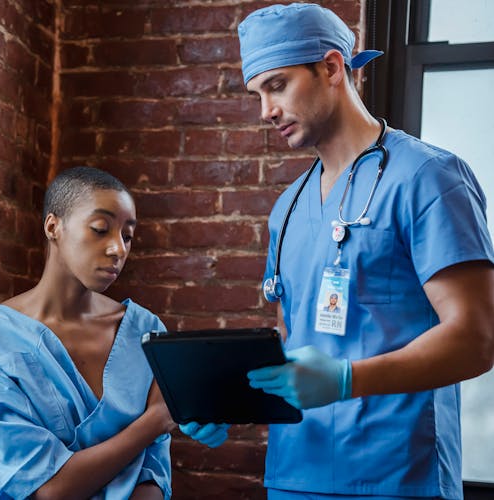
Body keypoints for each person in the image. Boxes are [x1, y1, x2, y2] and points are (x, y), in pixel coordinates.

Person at [182, 3, 494, 499]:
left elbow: (477, 339)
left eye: (278, 85)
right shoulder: (286, 209)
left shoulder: (427, 178)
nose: (266, 111)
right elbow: (295, 344)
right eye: (257, 94)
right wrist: (228, 401)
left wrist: (349, 379)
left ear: (331, 68)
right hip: (294, 475)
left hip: (397, 477)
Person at [0, 166, 183, 499]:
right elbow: (46, 490)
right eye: (100, 229)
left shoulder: (148, 333)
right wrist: (155, 420)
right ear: (53, 227)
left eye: (127, 235)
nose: (118, 249)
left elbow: (153, 476)